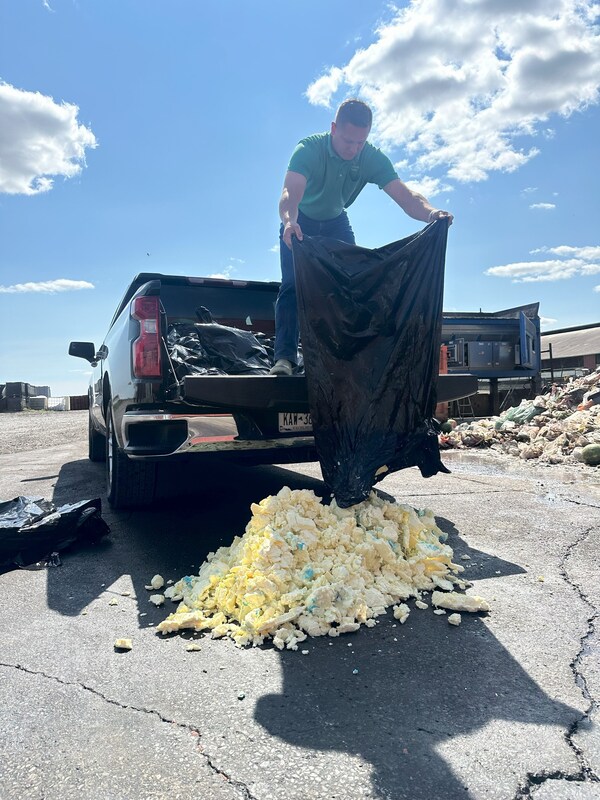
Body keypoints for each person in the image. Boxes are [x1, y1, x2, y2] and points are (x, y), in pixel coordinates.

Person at [270, 98, 454, 376]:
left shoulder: (370, 157)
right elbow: (289, 194)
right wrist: (289, 222)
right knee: (294, 285)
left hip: (335, 222)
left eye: (360, 143)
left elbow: (406, 196)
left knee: (350, 285)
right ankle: (284, 358)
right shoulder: (309, 149)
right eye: (347, 141)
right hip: (300, 220)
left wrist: (432, 214)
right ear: (333, 128)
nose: (353, 149)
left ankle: (334, 357)